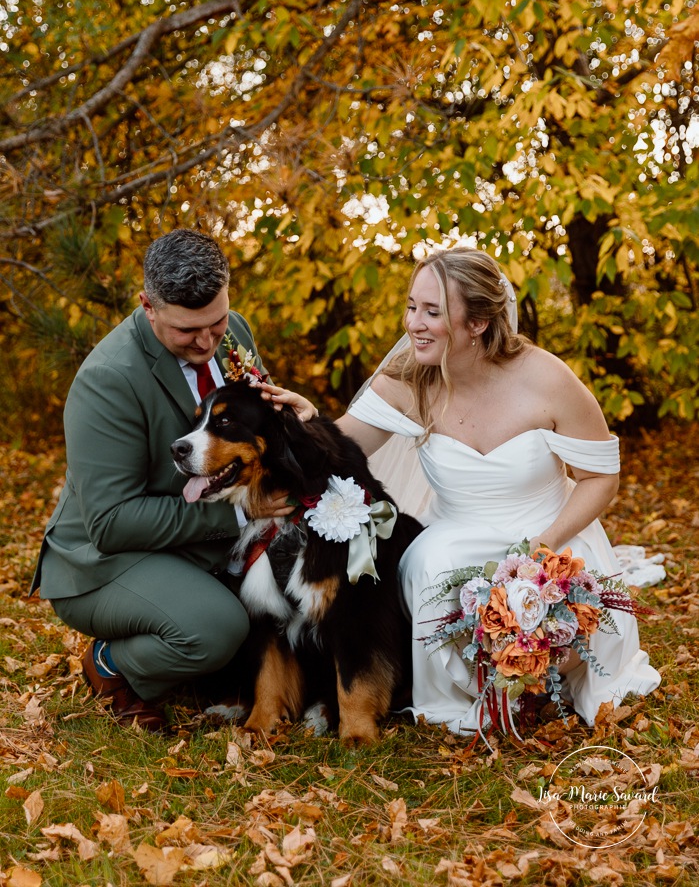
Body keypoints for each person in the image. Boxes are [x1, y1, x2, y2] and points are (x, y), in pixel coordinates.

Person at [324, 247, 660, 733]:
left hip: (551, 528)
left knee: (577, 613)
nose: (414, 323)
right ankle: (466, 692)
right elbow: (333, 447)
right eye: (412, 306)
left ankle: (540, 675)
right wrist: (291, 419)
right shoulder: (409, 382)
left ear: (478, 322)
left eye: (433, 312)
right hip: (458, 533)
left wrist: (546, 547)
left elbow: (600, 477)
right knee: (426, 560)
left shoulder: (545, 378)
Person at [31, 229, 311, 731]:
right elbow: (111, 523)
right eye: (188, 332)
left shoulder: (234, 333)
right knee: (217, 628)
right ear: (148, 306)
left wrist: (303, 422)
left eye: (218, 322)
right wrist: (238, 510)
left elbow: (260, 429)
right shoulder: (108, 380)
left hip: (189, 545)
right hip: (101, 563)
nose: (208, 342)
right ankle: (112, 665)